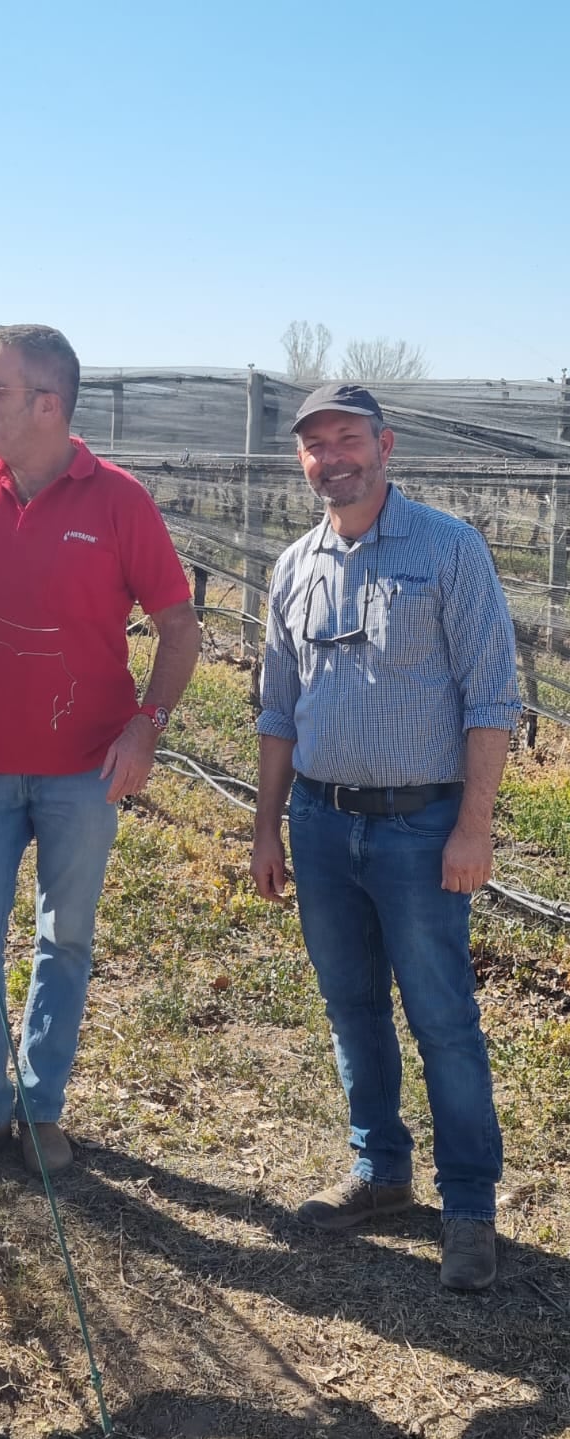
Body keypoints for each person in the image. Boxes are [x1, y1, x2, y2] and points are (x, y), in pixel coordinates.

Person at [0, 324, 200, 1178]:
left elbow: (179, 627)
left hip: (82, 769)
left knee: (64, 940)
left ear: (48, 404)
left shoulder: (117, 500)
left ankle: (41, 1105)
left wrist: (148, 726)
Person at [251, 383, 521, 1291]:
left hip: (421, 828)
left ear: (385, 444)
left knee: (444, 1019)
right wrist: (267, 829)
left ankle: (471, 1208)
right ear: (303, 460)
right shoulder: (294, 566)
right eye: (316, 444)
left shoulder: (449, 549)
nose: (334, 456)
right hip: (322, 825)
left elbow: (492, 698)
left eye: (348, 438)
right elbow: (278, 711)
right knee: (353, 1007)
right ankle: (381, 1172)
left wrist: (473, 826)